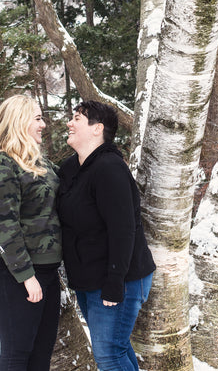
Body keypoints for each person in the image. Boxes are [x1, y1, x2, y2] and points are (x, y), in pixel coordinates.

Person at [57, 100, 155, 371]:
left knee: (109, 355)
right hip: (89, 279)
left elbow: (123, 229)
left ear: (97, 129)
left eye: (77, 118)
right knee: (116, 349)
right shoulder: (70, 168)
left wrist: (115, 281)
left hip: (118, 279)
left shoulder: (109, 168)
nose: (69, 123)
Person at [0, 94, 62, 371]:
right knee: (17, 353)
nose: (43, 125)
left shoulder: (40, 163)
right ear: (19, 122)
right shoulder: (2, 165)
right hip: (9, 272)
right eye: (37, 118)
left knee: (40, 356)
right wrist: (26, 276)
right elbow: (5, 227)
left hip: (44, 273)